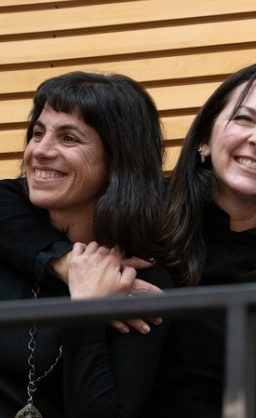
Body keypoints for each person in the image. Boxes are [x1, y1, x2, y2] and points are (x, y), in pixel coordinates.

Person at [0, 60, 256, 418]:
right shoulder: (151, 217)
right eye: (244, 119)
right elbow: (9, 199)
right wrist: (69, 264)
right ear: (204, 139)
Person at [0, 71, 170, 418]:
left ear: (118, 159)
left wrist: (86, 311)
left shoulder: (141, 284)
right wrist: (69, 265)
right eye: (38, 133)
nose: (40, 150)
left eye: (68, 138)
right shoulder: (9, 235)